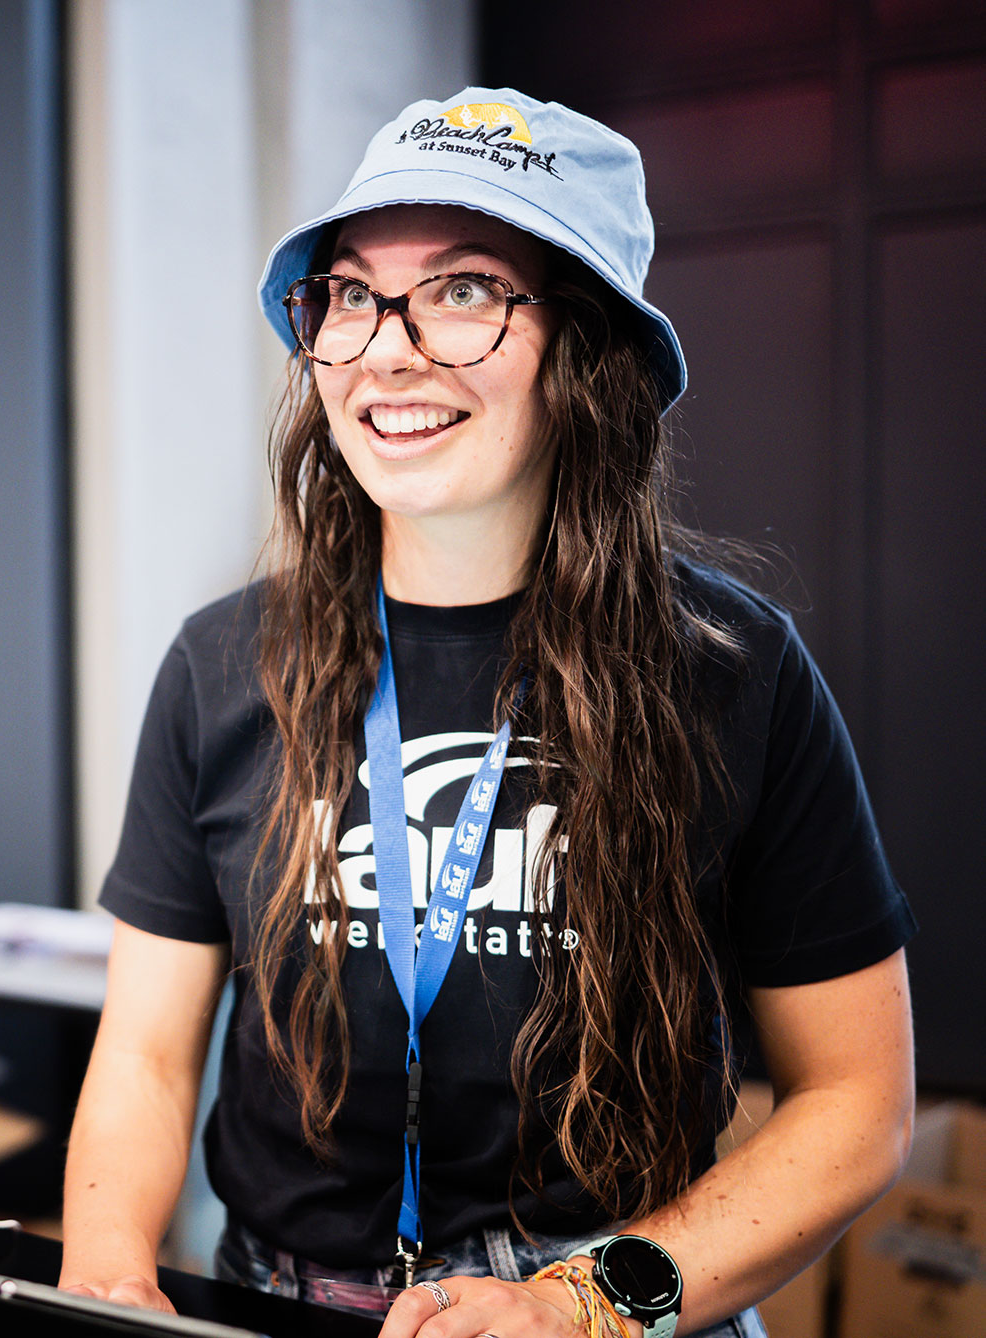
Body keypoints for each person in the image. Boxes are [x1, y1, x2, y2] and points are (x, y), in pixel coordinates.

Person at [59, 88, 916, 1338]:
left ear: (589, 350)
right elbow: (142, 1056)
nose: (386, 347)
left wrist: (578, 1307)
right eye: (350, 294)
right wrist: (108, 1277)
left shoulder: (731, 671)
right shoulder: (223, 663)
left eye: (463, 289)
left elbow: (856, 1101)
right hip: (277, 1300)